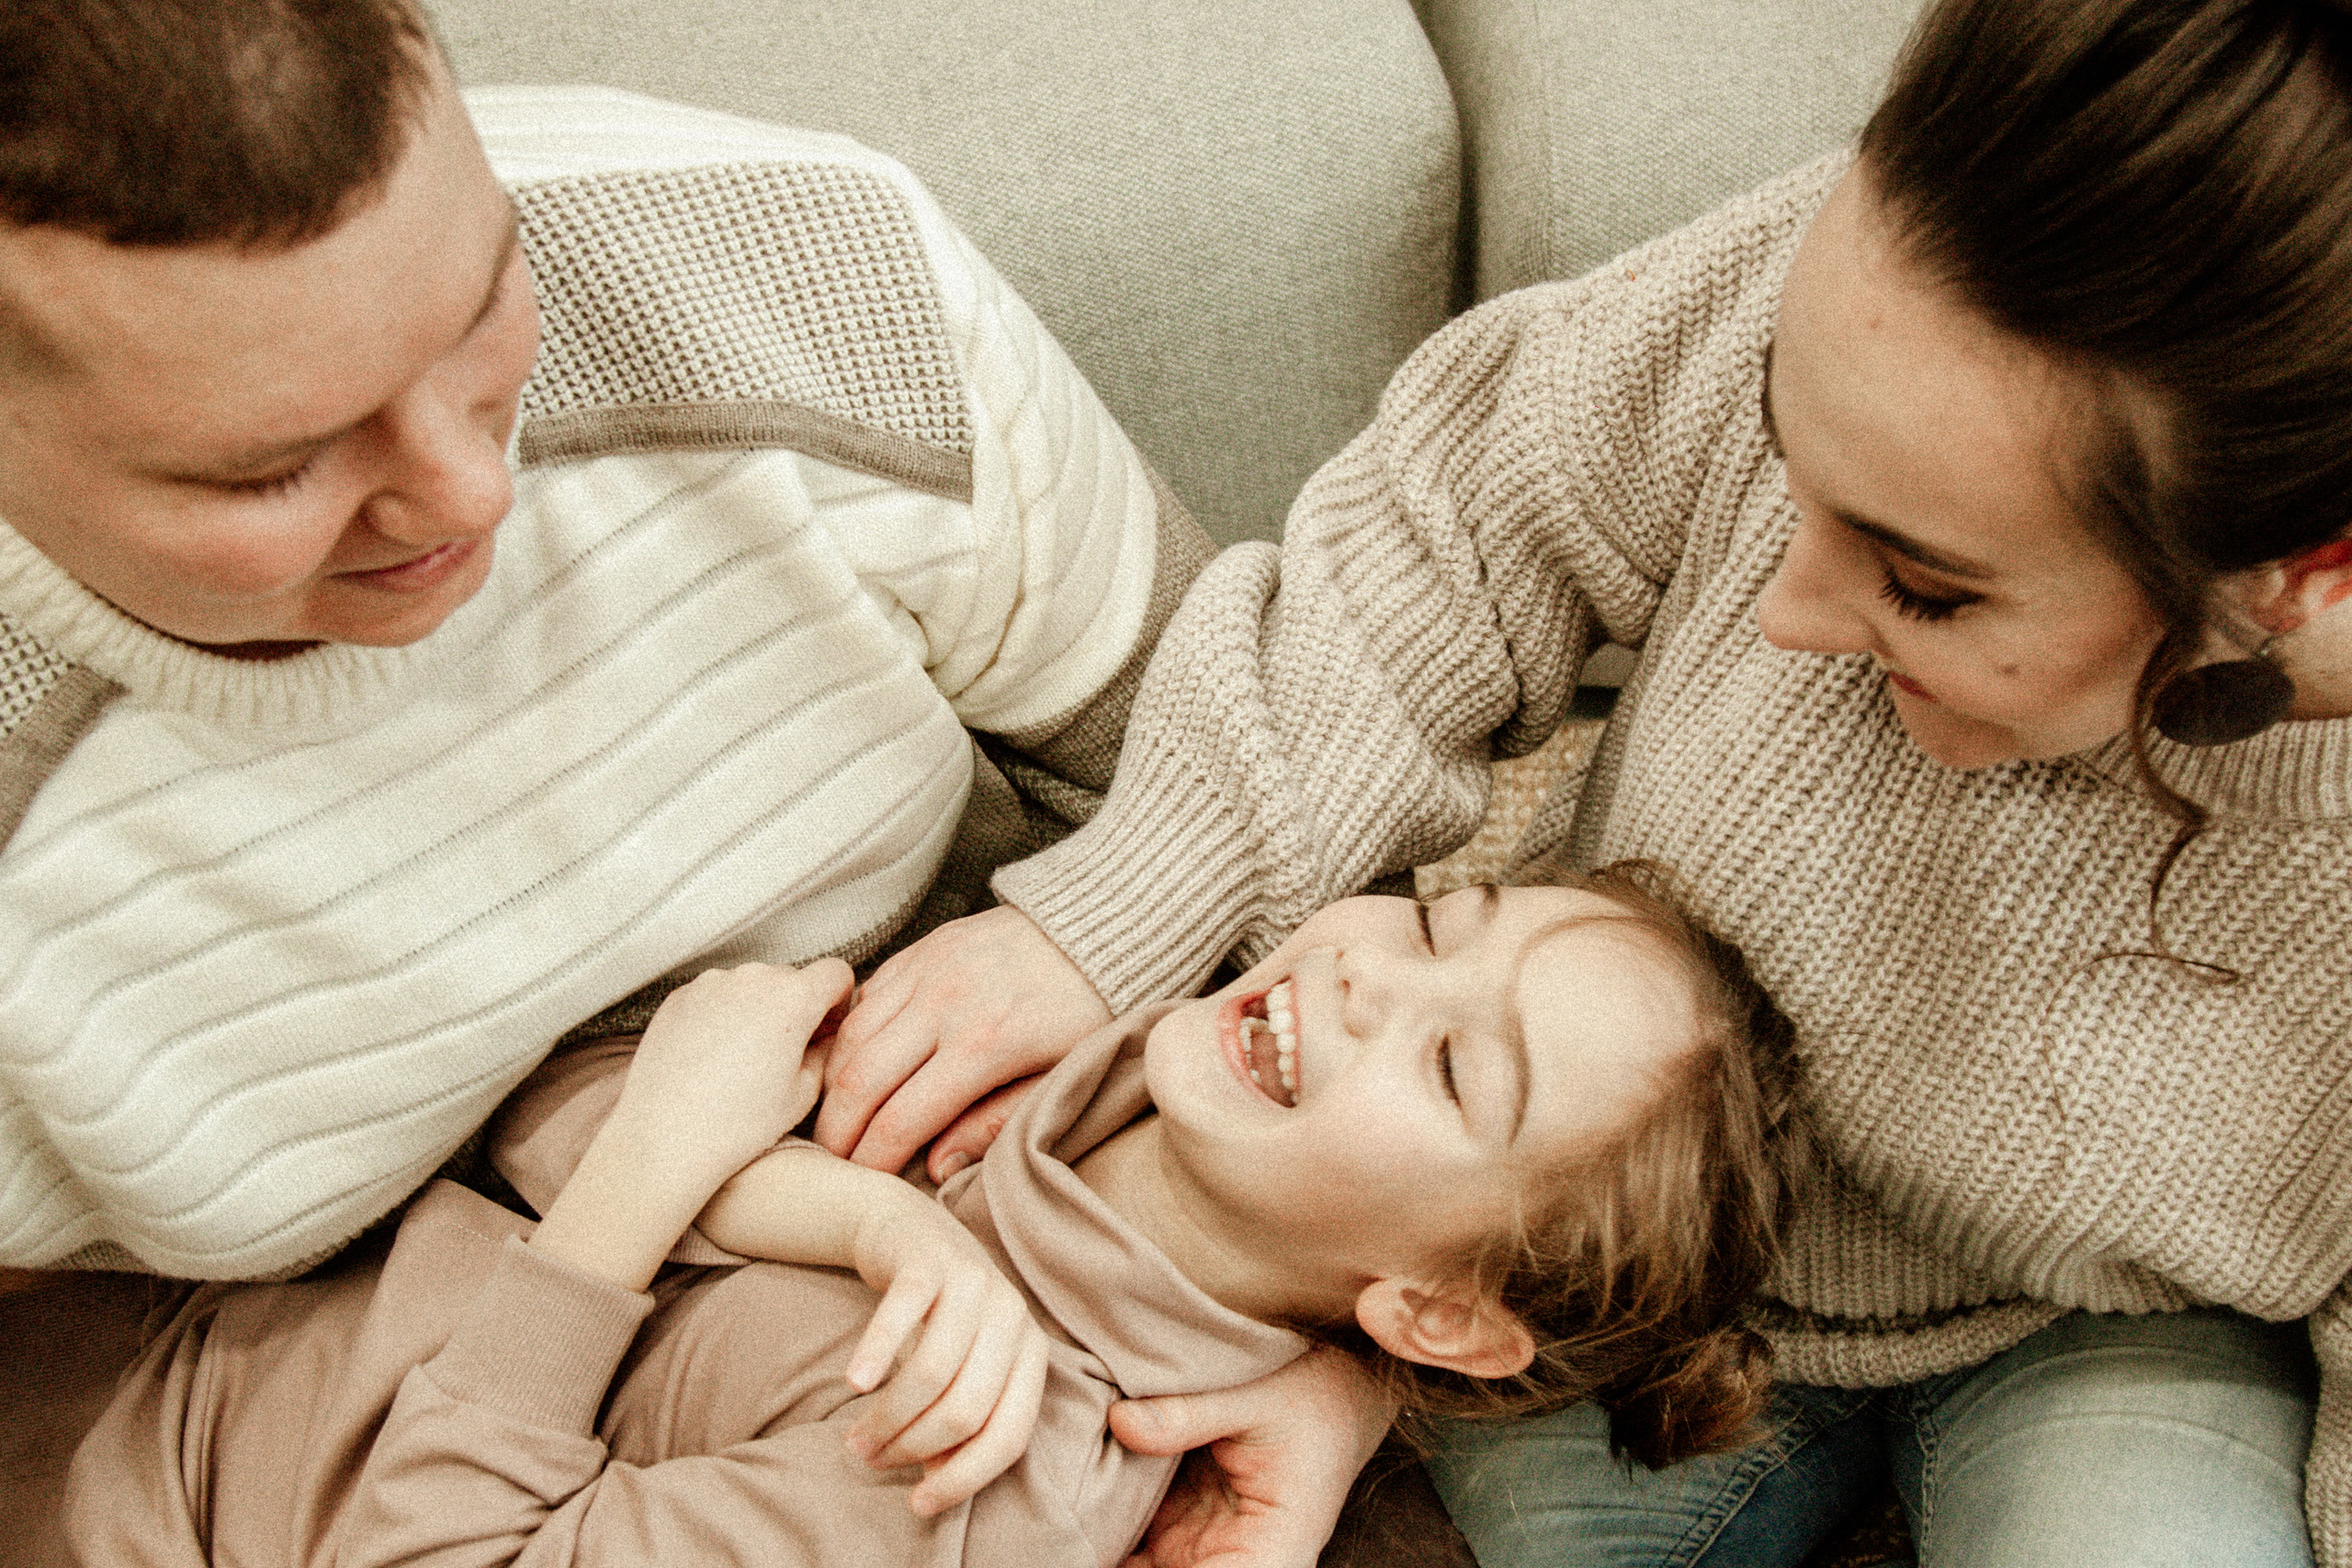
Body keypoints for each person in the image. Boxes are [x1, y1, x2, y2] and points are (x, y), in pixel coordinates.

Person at [812, 0, 2352, 1562]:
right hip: (1594, 1271)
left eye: (1926, 587)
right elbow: (1454, 542)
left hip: (2115, 1333)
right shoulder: (1909, 279)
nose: (1785, 615)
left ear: (2307, 577)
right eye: (1782, 461)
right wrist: (1124, 916)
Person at [0, 0, 1206, 1285]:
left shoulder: (812, 272)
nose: (474, 493)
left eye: (478, 312)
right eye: (274, 469)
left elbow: (1265, 775)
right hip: (297, 1413)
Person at [61, 861, 1811, 1566]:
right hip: (192, 1282)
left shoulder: (986, 1463)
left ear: (1437, 1308)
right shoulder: (1051, 1079)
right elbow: (586, 1083)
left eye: (1455, 1072)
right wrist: (856, 1215)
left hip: (149, 1500)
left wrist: (661, 1180)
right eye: (1439, 921)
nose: (1368, 982)